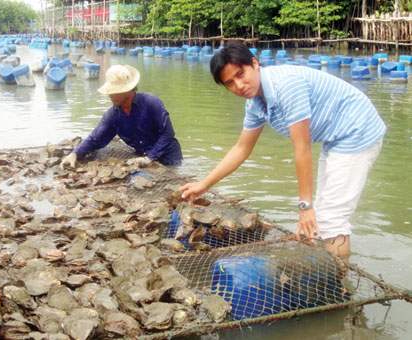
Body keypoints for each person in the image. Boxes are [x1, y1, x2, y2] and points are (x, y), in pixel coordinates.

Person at [180, 43, 386, 264]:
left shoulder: (286, 87)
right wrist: (204, 184)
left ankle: (341, 280)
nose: (239, 85)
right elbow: (241, 149)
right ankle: (325, 259)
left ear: (255, 64)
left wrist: (305, 208)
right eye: (230, 83)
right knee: (325, 209)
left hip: (356, 132)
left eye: (241, 74)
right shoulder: (256, 103)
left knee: (332, 218)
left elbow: (302, 148)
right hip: (335, 138)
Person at [61, 64, 183, 168]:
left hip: (169, 157)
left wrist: (149, 158)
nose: (109, 95)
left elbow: (168, 134)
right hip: (142, 156)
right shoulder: (113, 115)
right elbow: (95, 139)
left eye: (113, 91)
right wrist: (75, 154)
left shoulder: (151, 103)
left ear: (127, 91)